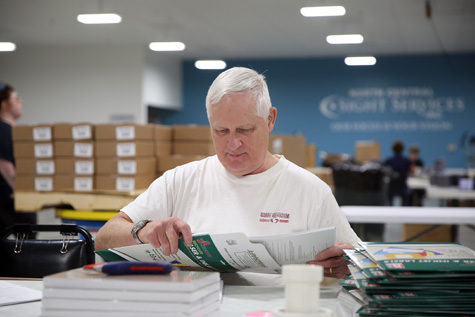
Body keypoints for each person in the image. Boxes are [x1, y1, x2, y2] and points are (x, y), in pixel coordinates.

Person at [96, 67, 360, 280]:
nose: (232, 144)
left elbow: (359, 262)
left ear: (270, 120)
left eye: (244, 130)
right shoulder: (181, 180)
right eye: (221, 131)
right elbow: (105, 238)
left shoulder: (310, 190)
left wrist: (346, 265)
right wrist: (143, 231)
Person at [0, 82, 37, 233]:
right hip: (10, 203)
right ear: (5, 105)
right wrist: (22, 195)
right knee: (21, 246)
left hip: (14, 200)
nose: (21, 102)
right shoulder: (2, 129)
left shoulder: (12, 130)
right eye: (16, 99)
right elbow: (4, 165)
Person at [384, 140, 412, 206]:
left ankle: (390, 208)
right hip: (403, 187)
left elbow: (384, 171)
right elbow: (412, 171)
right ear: (402, 149)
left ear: (393, 149)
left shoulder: (388, 161)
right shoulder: (406, 161)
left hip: (391, 187)